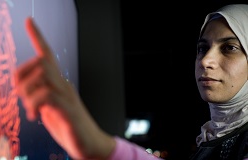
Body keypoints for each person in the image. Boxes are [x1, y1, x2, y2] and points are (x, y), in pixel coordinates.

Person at [14, 4, 248, 160]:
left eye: (230, 48)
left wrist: (102, 147)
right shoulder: (212, 136)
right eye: (202, 48)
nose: (206, 60)